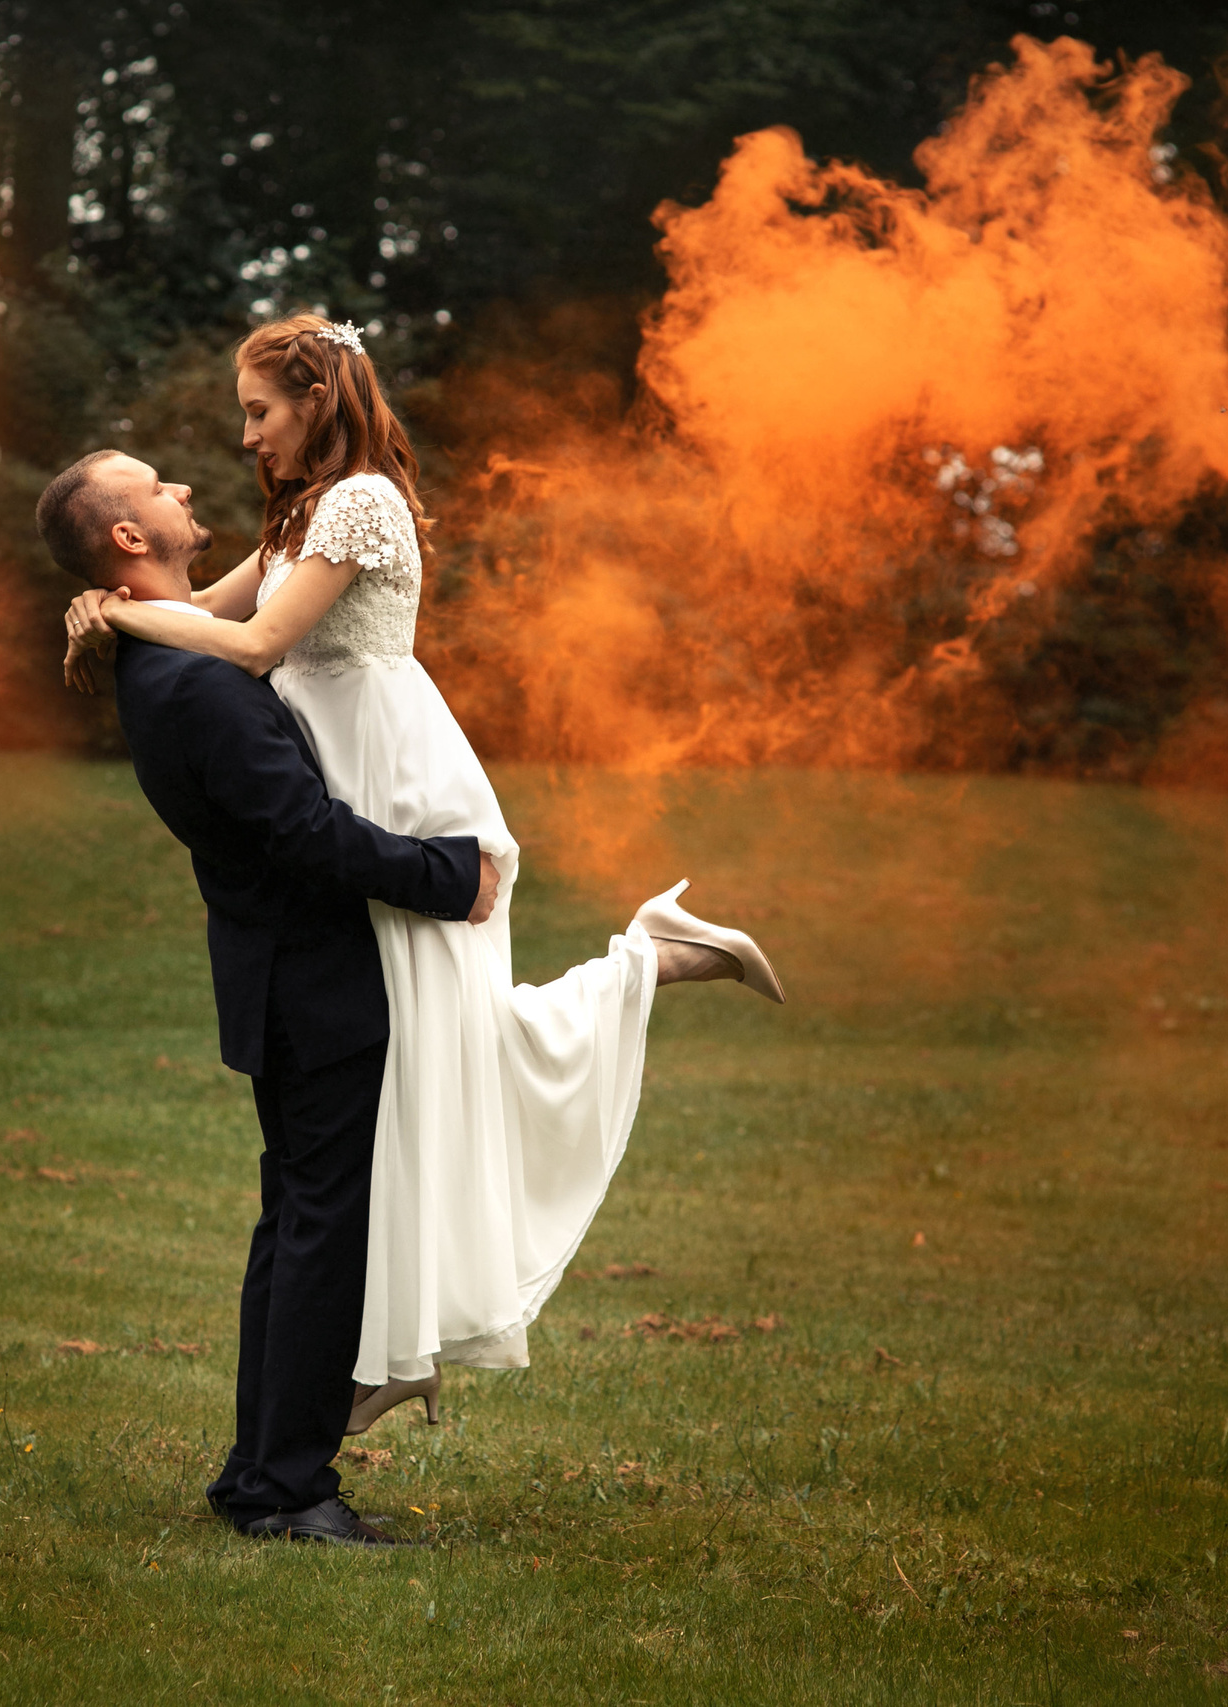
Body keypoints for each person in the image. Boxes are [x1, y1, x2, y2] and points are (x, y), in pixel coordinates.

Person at [61, 314, 783, 1441]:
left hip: (391, 782)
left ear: (314, 398)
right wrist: (118, 609)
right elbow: (199, 613)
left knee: (450, 1049)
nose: (246, 440)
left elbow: (248, 647)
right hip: (337, 778)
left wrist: (118, 607)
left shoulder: (359, 501)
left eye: (259, 411)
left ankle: (641, 967)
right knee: (433, 1063)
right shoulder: (300, 512)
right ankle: (394, 1349)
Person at [35, 445, 498, 1547]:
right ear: (128, 539)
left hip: (279, 980)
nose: (185, 487)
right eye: (157, 488)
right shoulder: (196, 680)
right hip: (315, 986)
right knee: (317, 1236)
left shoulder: (173, 658)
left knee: (295, 1229)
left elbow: (245, 605)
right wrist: (450, 876)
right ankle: (289, 1492)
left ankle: (261, 1477)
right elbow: (302, 831)